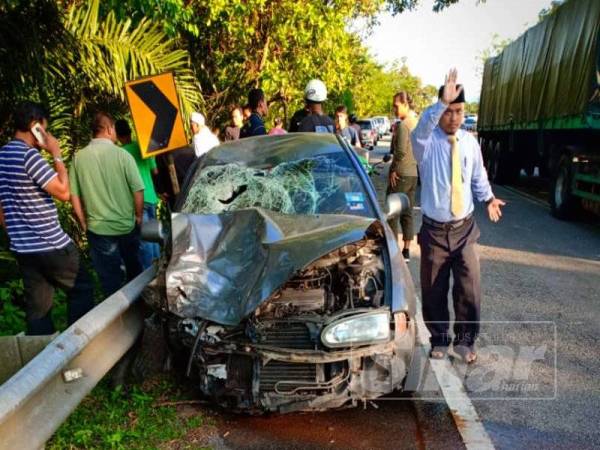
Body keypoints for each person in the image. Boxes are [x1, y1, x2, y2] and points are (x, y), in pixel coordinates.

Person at [411, 69, 505, 363]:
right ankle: (439, 339)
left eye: (459, 111)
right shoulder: (425, 144)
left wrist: (488, 198)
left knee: (469, 287)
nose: (453, 117)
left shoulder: (469, 142)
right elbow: (421, 127)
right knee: (434, 289)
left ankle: (466, 342)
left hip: (464, 228)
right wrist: (440, 102)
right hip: (434, 231)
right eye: (448, 111)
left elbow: (477, 176)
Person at [0, 102, 94, 334]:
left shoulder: (2, 155)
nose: (48, 134)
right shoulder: (29, 156)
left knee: (38, 309)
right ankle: (77, 347)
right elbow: (63, 192)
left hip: (23, 249)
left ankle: (44, 360)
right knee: (82, 287)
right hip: (51, 245)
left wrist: (16, 232)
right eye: (45, 128)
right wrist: (56, 154)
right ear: (35, 126)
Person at [69, 112, 145, 297]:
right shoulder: (123, 155)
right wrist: (138, 216)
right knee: (135, 273)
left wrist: (83, 222)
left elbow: (74, 196)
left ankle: (116, 317)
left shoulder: (78, 158)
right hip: (126, 226)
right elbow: (138, 190)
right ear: (110, 129)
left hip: (98, 229)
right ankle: (140, 312)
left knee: (110, 281)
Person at [115, 119, 160, 269]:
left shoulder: (120, 154)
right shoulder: (143, 148)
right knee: (154, 236)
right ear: (130, 131)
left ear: (117, 135)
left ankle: (149, 275)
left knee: (145, 241)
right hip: (152, 197)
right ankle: (159, 267)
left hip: (137, 200)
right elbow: (155, 171)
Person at [387, 92, 418, 262]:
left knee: (392, 211)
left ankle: (393, 250)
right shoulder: (417, 123)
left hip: (401, 173)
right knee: (407, 212)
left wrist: (393, 170)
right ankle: (406, 251)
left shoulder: (404, 125)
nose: (394, 109)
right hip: (413, 174)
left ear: (406, 105)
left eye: (396, 106)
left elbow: (399, 152)